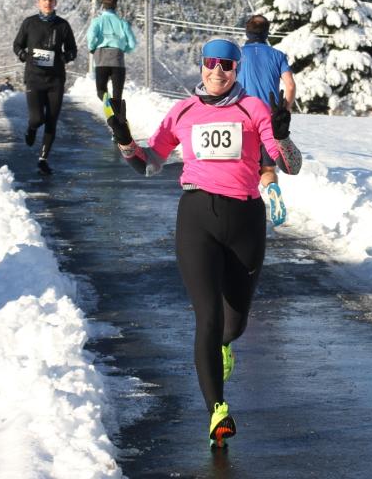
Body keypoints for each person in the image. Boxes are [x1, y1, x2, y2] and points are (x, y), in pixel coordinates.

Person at [105, 38, 301, 448]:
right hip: (196, 219)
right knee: (207, 317)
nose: (217, 71)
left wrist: (283, 137)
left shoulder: (254, 108)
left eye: (226, 65)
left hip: (245, 219)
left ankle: (226, 345)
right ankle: (218, 411)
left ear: (236, 70)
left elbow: (289, 165)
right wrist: (125, 140)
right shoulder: (182, 112)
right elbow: (149, 166)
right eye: (211, 63)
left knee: (235, 321)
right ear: (201, 66)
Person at [236, 14, 296, 226]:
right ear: (267, 32)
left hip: (242, 119)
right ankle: (272, 189)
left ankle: (243, 212)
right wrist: (284, 111)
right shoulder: (278, 55)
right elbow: (290, 86)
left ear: (247, 32)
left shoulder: (238, 55)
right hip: (269, 119)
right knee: (268, 170)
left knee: (242, 167)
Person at [12, 0, 77, 174]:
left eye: (51, 0)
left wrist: (64, 58)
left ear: (55, 3)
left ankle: (43, 159)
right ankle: (31, 129)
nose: (47, 3)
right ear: (38, 3)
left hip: (55, 80)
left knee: (51, 120)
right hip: (34, 78)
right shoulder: (29, 23)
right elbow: (17, 45)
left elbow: (72, 50)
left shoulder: (63, 25)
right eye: (44, 0)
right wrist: (23, 55)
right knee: (37, 118)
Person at [87, 0, 138, 104]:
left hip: (101, 58)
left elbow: (90, 37)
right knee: (117, 94)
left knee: (101, 91)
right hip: (117, 58)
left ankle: (107, 103)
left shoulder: (97, 21)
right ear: (116, 5)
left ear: (103, 5)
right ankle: (118, 115)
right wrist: (125, 49)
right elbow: (133, 43)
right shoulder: (122, 23)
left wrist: (92, 48)